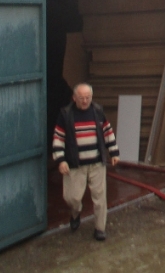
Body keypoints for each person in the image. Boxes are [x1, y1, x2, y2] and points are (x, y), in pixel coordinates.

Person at [52, 83, 120, 241]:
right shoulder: (66, 114)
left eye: (88, 97)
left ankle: (100, 228)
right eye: (81, 98)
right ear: (74, 98)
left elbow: (107, 132)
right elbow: (58, 138)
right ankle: (76, 213)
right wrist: (61, 160)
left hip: (96, 163)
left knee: (99, 198)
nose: (85, 101)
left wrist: (114, 152)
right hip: (75, 164)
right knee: (72, 198)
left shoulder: (97, 111)